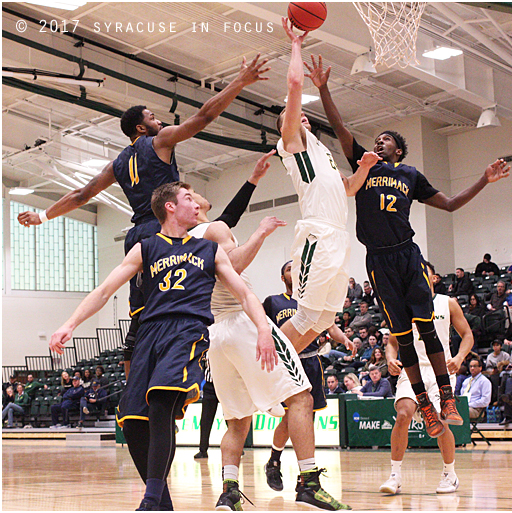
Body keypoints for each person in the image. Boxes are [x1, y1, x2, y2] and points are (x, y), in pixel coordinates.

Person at [18, 55, 270, 379]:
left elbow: (81, 195)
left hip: (136, 236)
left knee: (139, 316)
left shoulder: (118, 164)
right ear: (141, 127)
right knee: (181, 298)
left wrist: (42, 216)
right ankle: (183, 367)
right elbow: (204, 117)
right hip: (165, 229)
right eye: (153, 117)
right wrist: (240, 83)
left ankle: (133, 388)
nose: (159, 120)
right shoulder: (160, 142)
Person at [305, 52, 509, 438]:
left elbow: (448, 205)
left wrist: (483, 180)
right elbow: (338, 125)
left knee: (427, 329)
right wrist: (323, 87)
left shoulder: (410, 175)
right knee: (402, 336)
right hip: (378, 261)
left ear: (397, 150)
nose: (378, 143)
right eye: (377, 140)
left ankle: (446, 399)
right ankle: (426, 407)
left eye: (385, 141)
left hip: (407, 254)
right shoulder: (365, 165)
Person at [49, 181, 277, 511]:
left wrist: (263, 329)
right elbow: (104, 290)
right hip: (149, 334)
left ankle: (150, 499)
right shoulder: (146, 248)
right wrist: (70, 323)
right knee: (131, 419)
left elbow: (245, 294)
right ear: (170, 206)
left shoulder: (209, 251)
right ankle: (162, 502)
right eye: (188, 198)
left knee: (160, 403)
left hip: (188, 331)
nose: (197, 204)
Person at [189, 184, 350, 510]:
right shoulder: (215, 228)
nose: (198, 194)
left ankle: (229, 492)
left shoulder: (180, 243)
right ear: (189, 205)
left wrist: (254, 177)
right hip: (241, 322)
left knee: (236, 422)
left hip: (215, 334)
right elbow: (233, 267)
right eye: (190, 193)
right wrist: (260, 233)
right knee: (301, 399)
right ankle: (309, 483)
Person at [275, 19, 379, 365]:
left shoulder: (323, 152)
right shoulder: (291, 143)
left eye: (304, 115)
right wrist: (295, 45)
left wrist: (363, 168)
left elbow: (347, 189)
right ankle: (265, 369)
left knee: (323, 319)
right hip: (317, 233)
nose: (301, 117)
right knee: (305, 316)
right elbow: (293, 85)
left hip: (338, 237)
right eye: (295, 116)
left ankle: (280, 370)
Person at [381, 261, 474, 495]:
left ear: (433, 278)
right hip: (413, 369)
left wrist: (460, 357)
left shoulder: (447, 302)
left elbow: (467, 335)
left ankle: (450, 475)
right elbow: (392, 343)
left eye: (423, 274)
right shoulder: (403, 305)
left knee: (442, 422)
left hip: (440, 370)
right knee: (403, 414)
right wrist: (391, 359)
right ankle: (395, 476)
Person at [262, 260, 347, 493]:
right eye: (289, 268)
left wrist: (344, 339)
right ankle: (275, 461)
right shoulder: (272, 301)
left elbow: (330, 326)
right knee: (290, 418)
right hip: (286, 361)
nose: (294, 272)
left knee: (308, 420)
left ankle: (305, 471)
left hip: (311, 360)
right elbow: (260, 325)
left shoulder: (312, 301)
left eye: (297, 268)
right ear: (283, 277)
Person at [194, 353, 218, 460]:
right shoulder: (207, 342)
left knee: (230, 418)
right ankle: (203, 450)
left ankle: (237, 448)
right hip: (210, 384)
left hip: (226, 384)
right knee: (205, 420)